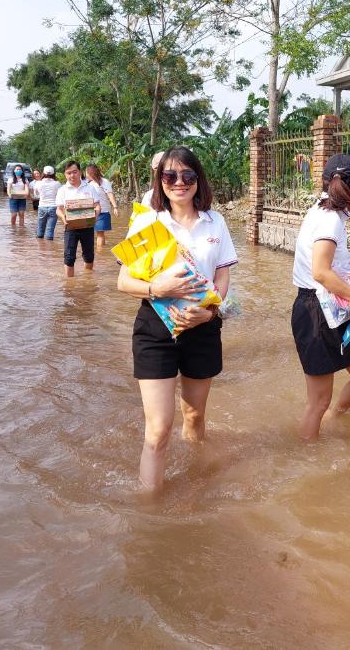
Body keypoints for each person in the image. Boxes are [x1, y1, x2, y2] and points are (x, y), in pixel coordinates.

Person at [117, 146, 238, 490]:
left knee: (195, 416)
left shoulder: (216, 222)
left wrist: (210, 312)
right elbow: (123, 281)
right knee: (157, 431)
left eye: (187, 175)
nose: (179, 183)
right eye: (170, 176)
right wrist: (157, 287)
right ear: (160, 181)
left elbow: (222, 278)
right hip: (155, 328)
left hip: (202, 327)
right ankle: (149, 506)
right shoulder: (147, 220)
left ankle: (198, 480)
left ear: (198, 180)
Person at [291, 153, 350, 440]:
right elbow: (321, 272)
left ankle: (333, 418)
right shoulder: (330, 220)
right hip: (315, 311)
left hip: (331, 308)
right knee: (317, 401)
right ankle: (309, 461)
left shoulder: (321, 210)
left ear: (325, 180)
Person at [55, 161, 102, 277]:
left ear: (80, 172)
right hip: (70, 227)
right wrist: (63, 218)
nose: (72, 175)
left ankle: (88, 280)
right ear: (65, 175)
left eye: (75, 172)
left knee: (89, 256)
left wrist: (95, 217)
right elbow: (58, 209)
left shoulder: (90, 187)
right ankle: (69, 285)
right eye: (68, 173)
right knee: (69, 257)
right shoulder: (62, 190)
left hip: (87, 226)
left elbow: (97, 205)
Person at [85, 164, 119, 248]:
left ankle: (100, 252)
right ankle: (99, 252)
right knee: (90, 233)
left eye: (86, 172)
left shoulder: (104, 182)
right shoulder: (87, 184)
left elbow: (110, 194)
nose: (85, 174)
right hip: (90, 212)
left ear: (91, 173)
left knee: (100, 233)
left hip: (103, 211)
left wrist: (115, 207)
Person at [35, 165, 60, 241]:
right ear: (53, 174)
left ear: (43, 173)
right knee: (50, 229)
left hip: (42, 206)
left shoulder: (38, 183)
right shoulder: (57, 183)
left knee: (40, 228)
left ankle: (40, 248)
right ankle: (49, 250)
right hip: (53, 207)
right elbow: (59, 195)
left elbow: (36, 194)